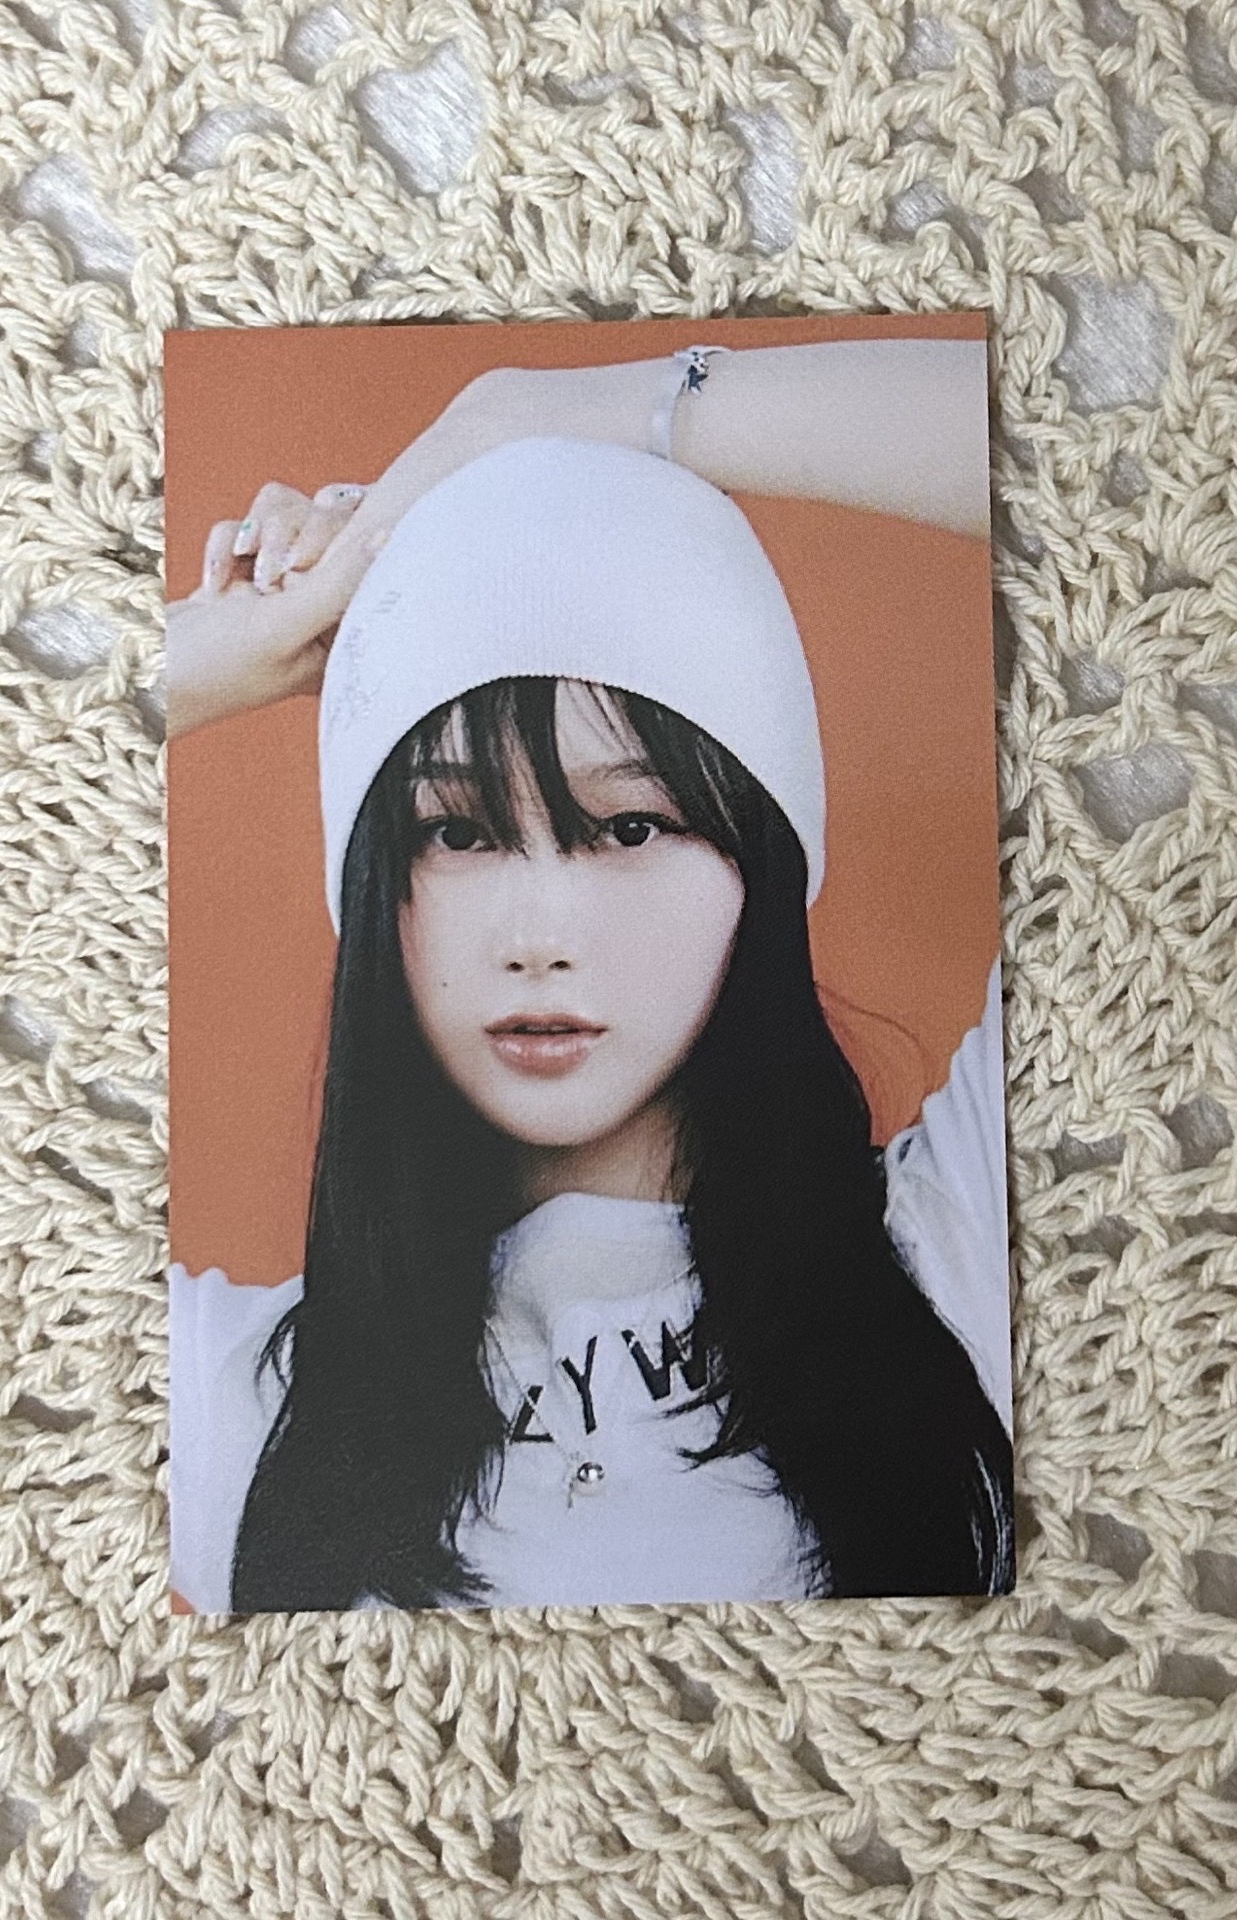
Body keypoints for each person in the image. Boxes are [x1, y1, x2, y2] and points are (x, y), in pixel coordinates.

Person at [166, 340, 1013, 1613]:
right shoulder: (240, 1409)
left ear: (761, 863)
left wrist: (575, 410)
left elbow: (1136, 477)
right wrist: (211, 650)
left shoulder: (965, 1254)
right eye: (457, 833)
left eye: (627, 827)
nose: (539, 934)